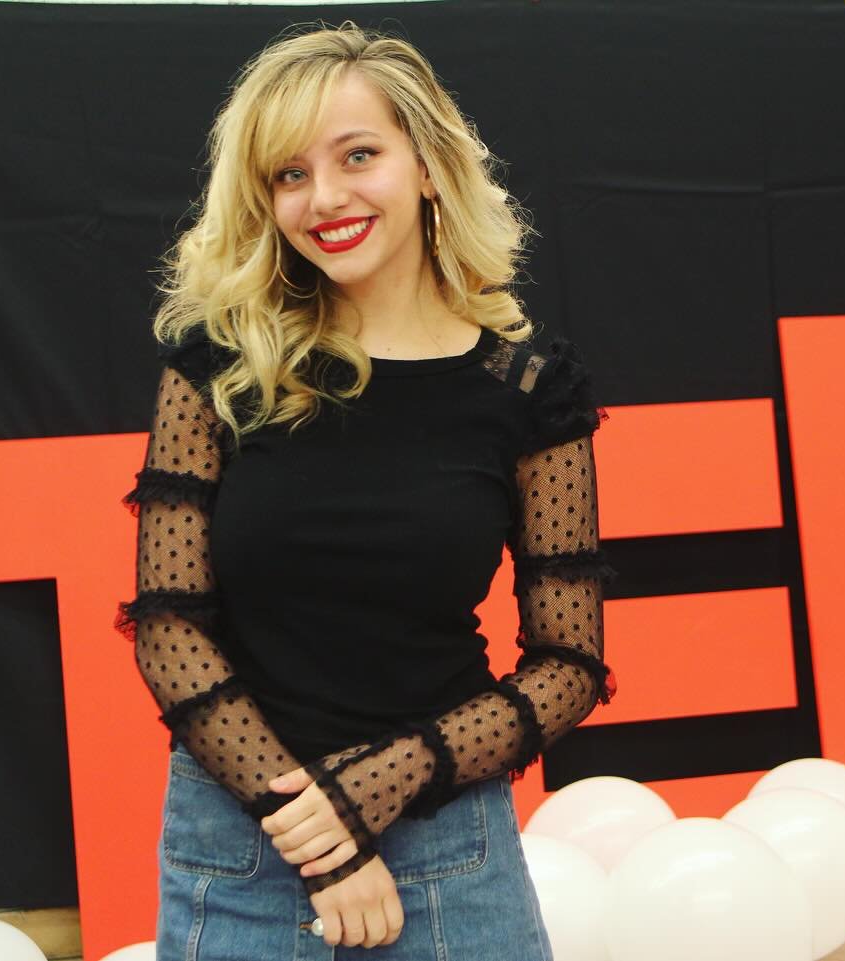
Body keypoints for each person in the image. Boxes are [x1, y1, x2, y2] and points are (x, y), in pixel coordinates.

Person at [114, 20, 617, 957]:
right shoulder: (218, 367)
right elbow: (168, 622)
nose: (325, 198)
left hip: (450, 846)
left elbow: (570, 662)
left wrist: (383, 783)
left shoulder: (529, 388)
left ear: (427, 164)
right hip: (244, 848)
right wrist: (320, 836)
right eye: (289, 173)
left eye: (358, 156)